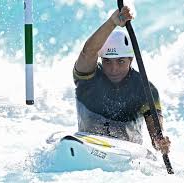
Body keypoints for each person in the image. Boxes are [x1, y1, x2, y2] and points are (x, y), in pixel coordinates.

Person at [73, 6, 171, 154]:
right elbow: (88, 52)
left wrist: (160, 142)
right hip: (87, 145)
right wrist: (112, 22)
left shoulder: (146, 89)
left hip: (125, 156)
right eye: (107, 62)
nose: (113, 69)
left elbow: (156, 135)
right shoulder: (88, 78)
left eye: (120, 61)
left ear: (131, 60)